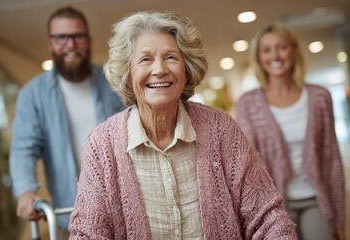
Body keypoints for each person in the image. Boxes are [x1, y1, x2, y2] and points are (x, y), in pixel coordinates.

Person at [68, 11, 296, 239]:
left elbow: (268, 217)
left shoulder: (221, 129)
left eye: (171, 57)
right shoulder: (101, 145)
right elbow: (88, 232)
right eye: (145, 59)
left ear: (186, 71)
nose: (159, 70)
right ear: (128, 75)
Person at [9, 6, 125, 236]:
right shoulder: (33, 94)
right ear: (50, 42)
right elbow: (24, 148)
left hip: (123, 215)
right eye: (61, 37)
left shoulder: (115, 83)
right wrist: (25, 191)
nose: (70, 45)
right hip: (70, 220)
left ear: (89, 40)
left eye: (77, 36)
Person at [236, 23, 345, 240]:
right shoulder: (248, 103)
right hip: (272, 206)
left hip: (316, 200)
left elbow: (331, 159)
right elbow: (246, 164)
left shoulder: (320, 97)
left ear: (294, 50)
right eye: (266, 50)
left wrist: (340, 218)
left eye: (282, 47)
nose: (275, 55)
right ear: (258, 57)